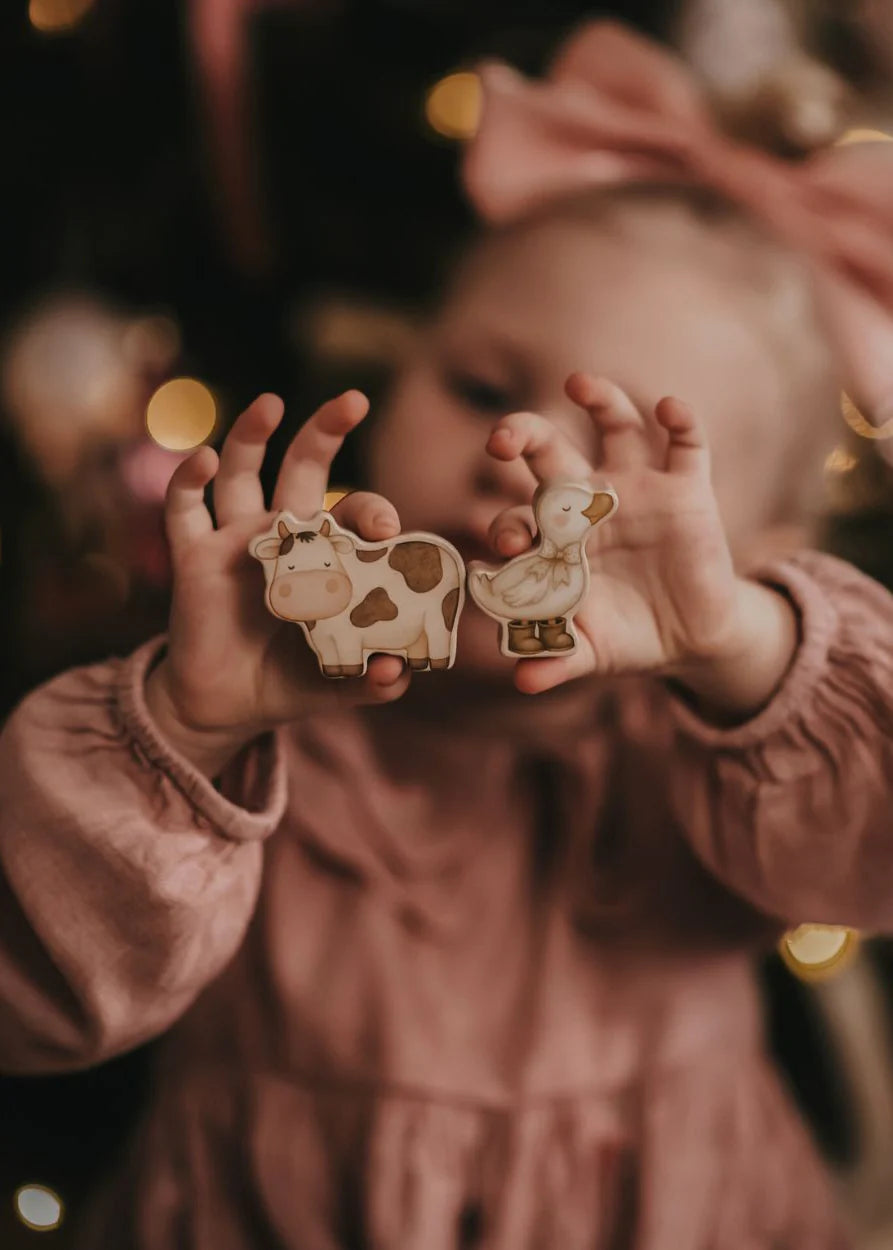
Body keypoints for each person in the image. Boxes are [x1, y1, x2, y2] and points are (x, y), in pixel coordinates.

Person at [3, 21, 893, 1249]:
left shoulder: (738, 753)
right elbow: (28, 1001)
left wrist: (746, 640)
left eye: (620, 450)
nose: (516, 461)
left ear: (765, 539)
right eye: (480, 387)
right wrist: (185, 731)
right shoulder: (240, 695)